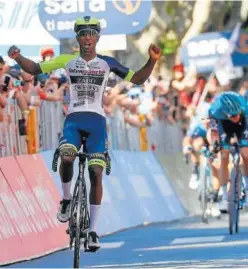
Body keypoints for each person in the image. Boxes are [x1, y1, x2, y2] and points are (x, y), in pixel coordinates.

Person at [8, 16, 162, 251]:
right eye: (83, 34)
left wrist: (151, 61)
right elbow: (35, 69)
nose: (87, 38)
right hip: (74, 120)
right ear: (77, 37)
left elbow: (138, 79)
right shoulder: (67, 60)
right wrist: (17, 57)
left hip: (97, 122)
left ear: (98, 37)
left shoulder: (108, 62)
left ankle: (92, 231)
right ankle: (67, 200)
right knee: (67, 156)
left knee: (96, 172)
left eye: (91, 33)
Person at [207, 91, 248, 212]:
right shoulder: (214, 111)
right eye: (233, 116)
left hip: (243, 126)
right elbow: (214, 132)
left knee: (246, 154)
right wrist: (215, 144)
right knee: (224, 156)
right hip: (223, 124)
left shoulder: (245, 109)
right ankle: (225, 197)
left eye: (237, 114)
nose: (236, 118)